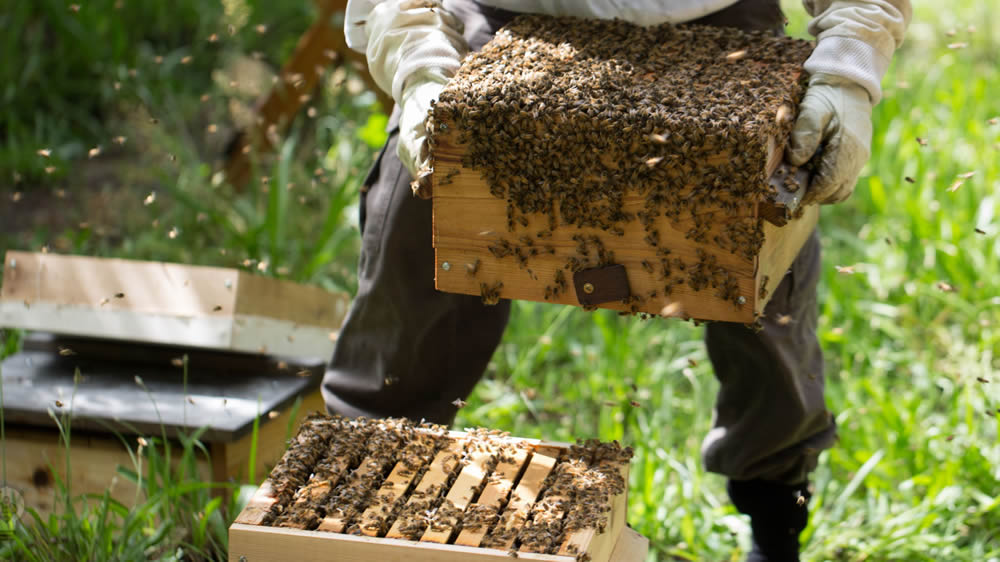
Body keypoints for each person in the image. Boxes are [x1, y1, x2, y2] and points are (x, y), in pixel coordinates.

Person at [323, 1, 911, 560]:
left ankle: (775, 532)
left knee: (763, 293)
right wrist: (420, 67)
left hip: (721, 38)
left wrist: (847, 73)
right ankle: (349, 512)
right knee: (415, 251)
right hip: (500, 34)